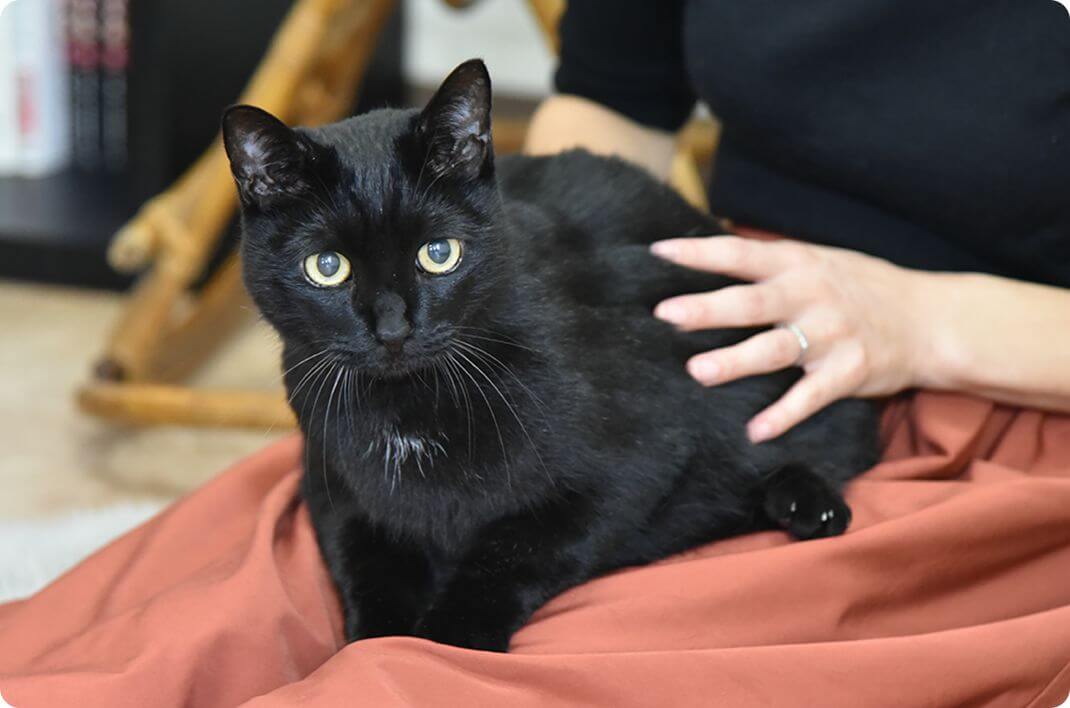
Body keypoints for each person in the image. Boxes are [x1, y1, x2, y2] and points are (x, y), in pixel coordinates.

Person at [523, 0, 1070, 442]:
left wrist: (917, 326)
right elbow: (611, 101)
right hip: (748, 323)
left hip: (1009, 372)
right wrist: (572, 284)